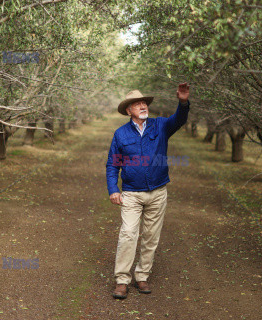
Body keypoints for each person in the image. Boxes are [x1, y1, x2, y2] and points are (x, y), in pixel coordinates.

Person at [106, 83, 190, 299]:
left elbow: (179, 120)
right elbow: (113, 164)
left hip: (158, 192)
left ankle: (142, 276)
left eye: (144, 103)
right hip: (132, 194)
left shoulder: (160, 125)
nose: (143, 106)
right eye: (137, 104)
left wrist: (182, 102)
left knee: (151, 236)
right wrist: (113, 188)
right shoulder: (120, 134)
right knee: (128, 234)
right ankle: (122, 280)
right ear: (128, 110)